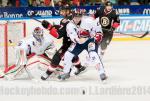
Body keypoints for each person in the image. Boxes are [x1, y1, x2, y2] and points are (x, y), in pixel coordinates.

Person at [57, 11, 107, 81]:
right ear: (72, 17)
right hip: (79, 42)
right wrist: (80, 39)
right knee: (68, 54)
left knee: (93, 54)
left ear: (82, 16)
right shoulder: (69, 25)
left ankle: (102, 73)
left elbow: (98, 29)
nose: (77, 19)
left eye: (79, 17)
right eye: (75, 17)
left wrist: (98, 35)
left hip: (90, 41)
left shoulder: (89, 21)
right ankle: (66, 72)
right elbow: (74, 38)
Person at [41, 5, 86, 80]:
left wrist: (49, 27)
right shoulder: (73, 17)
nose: (61, 12)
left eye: (62, 11)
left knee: (57, 56)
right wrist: (56, 26)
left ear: (67, 11)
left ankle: (47, 73)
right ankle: (80, 67)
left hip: (69, 43)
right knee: (70, 55)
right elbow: (65, 28)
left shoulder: (65, 20)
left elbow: (58, 35)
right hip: (77, 42)